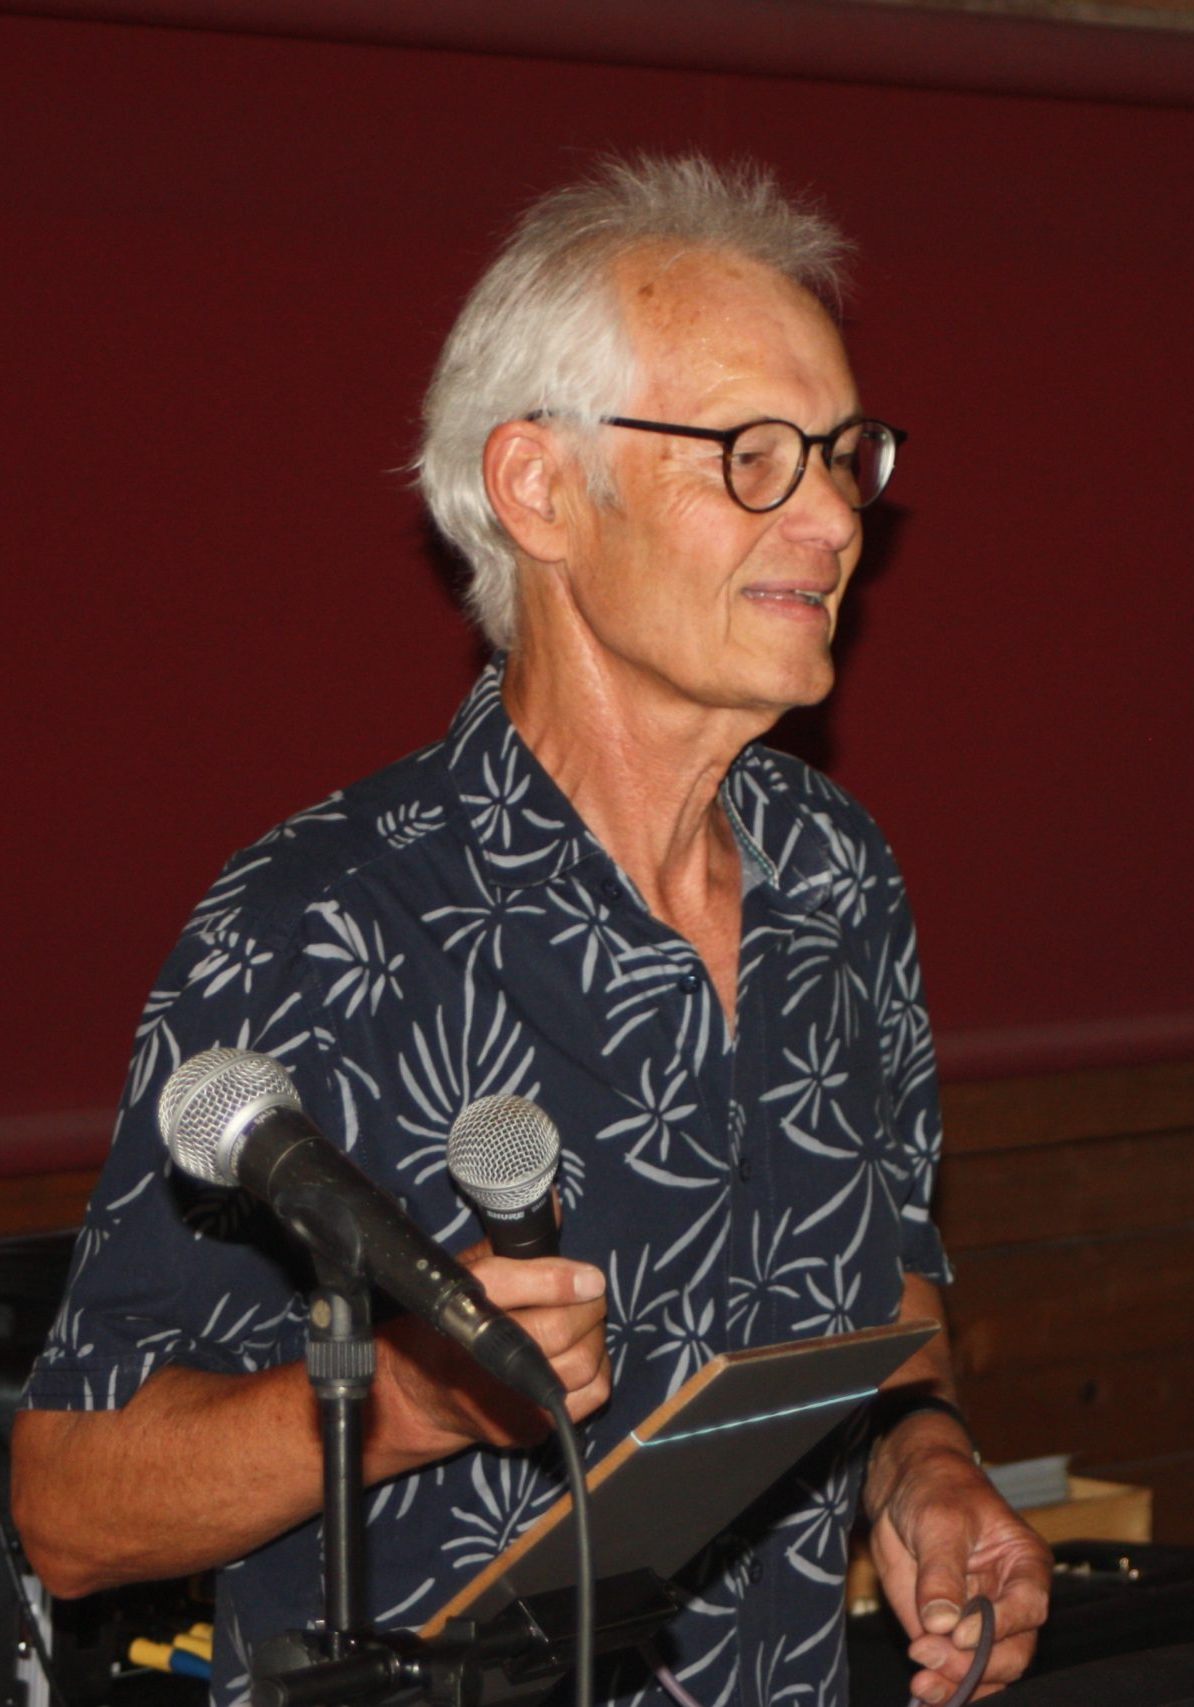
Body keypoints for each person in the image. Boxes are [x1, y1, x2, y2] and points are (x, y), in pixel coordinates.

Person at [9, 155, 1049, 1707]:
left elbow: (888, 1284)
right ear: (540, 488)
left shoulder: (838, 877)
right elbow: (69, 1507)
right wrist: (411, 1402)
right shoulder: (323, 923)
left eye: (843, 454)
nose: (834, 515)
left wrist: (927, 1465)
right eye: (754, 455)